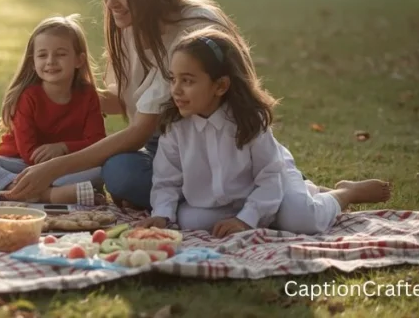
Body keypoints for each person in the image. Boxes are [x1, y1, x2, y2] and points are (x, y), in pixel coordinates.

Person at [7, 0, 245, 208]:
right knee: (119, 169)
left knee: (122, 176)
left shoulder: (191, 32)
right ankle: (196, 199)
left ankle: (222, 195)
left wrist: (54, 167)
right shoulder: (130, 23)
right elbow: (125, 100)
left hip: (215, 150)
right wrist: (48, 96)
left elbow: (140, 130)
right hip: (167, 148)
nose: (110, 3)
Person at [134, 28, 392, 236]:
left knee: (300, 220)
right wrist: (162, 214)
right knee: (190, 220)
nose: (176, 89)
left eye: (187, 81)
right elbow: (167, 181)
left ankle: (344, 193)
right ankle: (295, 200)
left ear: (221, 86)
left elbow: (270, 178)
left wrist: (246, 220)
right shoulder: (175, 127)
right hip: (222, 203)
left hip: (272, 181)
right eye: (173, 78)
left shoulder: (249, 122)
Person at [0, 15, 107, 205]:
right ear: (33, 61)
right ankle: (47, 196)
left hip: (63, 168)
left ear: (79, 60)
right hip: (19, 166)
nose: (51, 61)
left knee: (104, 168)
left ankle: (8, 194)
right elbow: (29, 153)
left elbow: (97, 143)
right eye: (43, 55)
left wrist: (63, 148)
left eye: (60, 54)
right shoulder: (28, 97)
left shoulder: (88, 95)